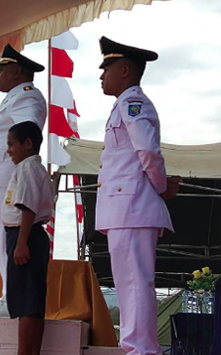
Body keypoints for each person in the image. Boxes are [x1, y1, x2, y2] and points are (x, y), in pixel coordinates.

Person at [96, 36, 179, 355]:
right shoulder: (123, 104)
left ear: (126, 70)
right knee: (128, 285)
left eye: (107, 69)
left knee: (134, 284)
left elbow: (147, 150)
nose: (102, 76)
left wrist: (159, 188)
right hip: (125, 208)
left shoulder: (134, 102)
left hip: (132, 206)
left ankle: (141, 350)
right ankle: (135, 347)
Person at [0, 44, 47, 317]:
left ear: (16, 71)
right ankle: (9, 296)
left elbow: (29, 134)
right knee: (0, 239)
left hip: (6, 176)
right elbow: (10, 133)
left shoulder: (26, 97)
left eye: (2, 70)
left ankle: (10, 299)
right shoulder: (13, 97)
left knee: (5, 240)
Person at [2, 121, 54, 355]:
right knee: (29, 301)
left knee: (28, 303)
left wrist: (21, 243)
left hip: (26, 235)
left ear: (28, 143)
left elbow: (28, 207)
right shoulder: (29, 168)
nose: (8, 150)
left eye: (11, 144)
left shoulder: (28, 168)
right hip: (24, 234)